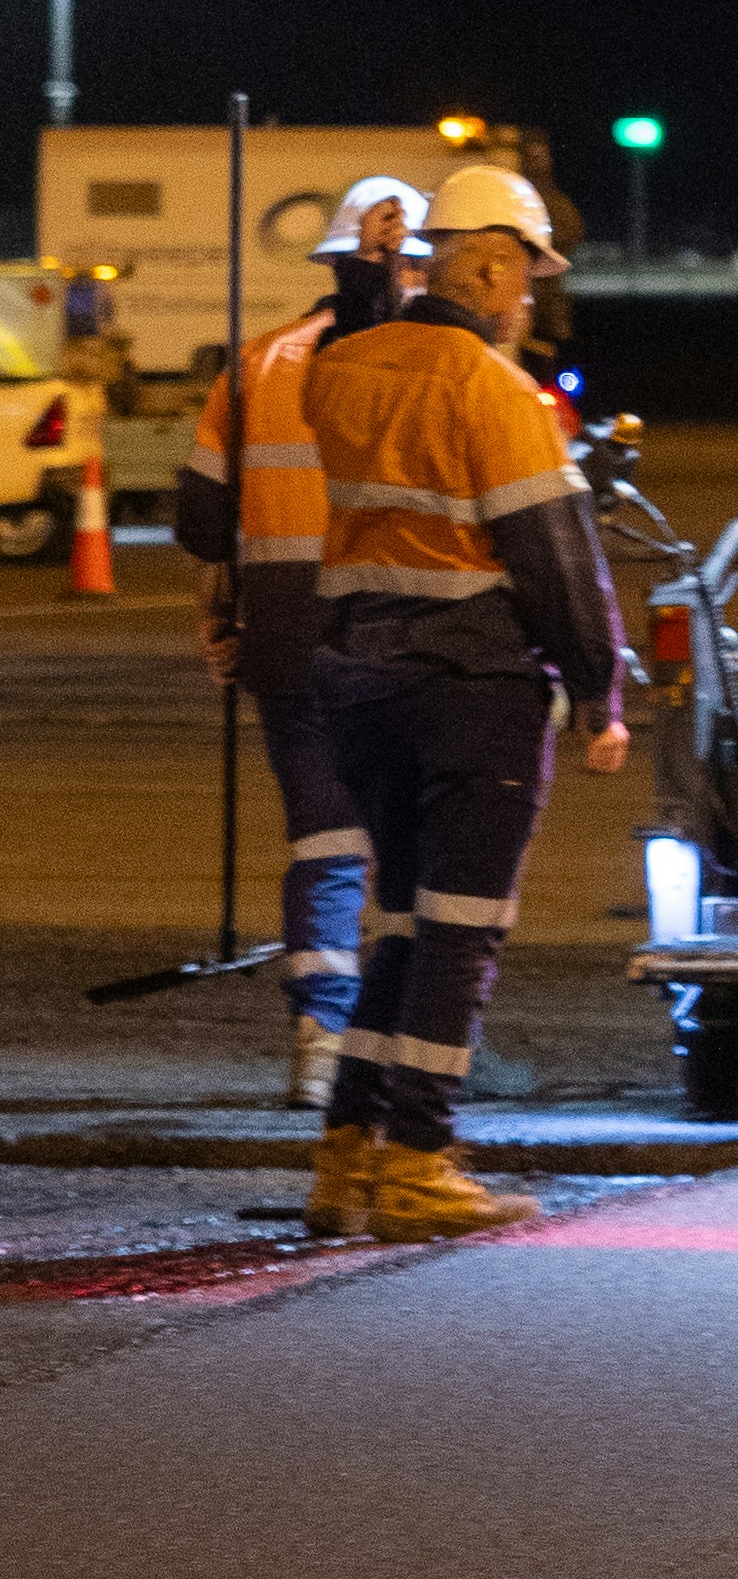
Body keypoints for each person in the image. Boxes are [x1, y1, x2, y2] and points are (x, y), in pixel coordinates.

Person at [249, 160, 627, 1243]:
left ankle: (345, 1157)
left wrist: (375, 290)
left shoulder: (340, 369)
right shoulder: (493, 389)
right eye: (527, 277)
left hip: (360, 678)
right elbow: (553, 556)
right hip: (474, 686)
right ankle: (419, 1161)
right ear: (495, 263)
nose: (530, 301)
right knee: (463, 933)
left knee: (406, 930)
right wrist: (600, 687)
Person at [168, 172, 438, 1102]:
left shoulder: (259, 362)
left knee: (324, 835)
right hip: (400, 635)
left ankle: (320, 1042)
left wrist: (229, 592)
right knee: (410, 844)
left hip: (286, 637)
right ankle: (405, 1044)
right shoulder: (437, 367)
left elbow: (204, 521)